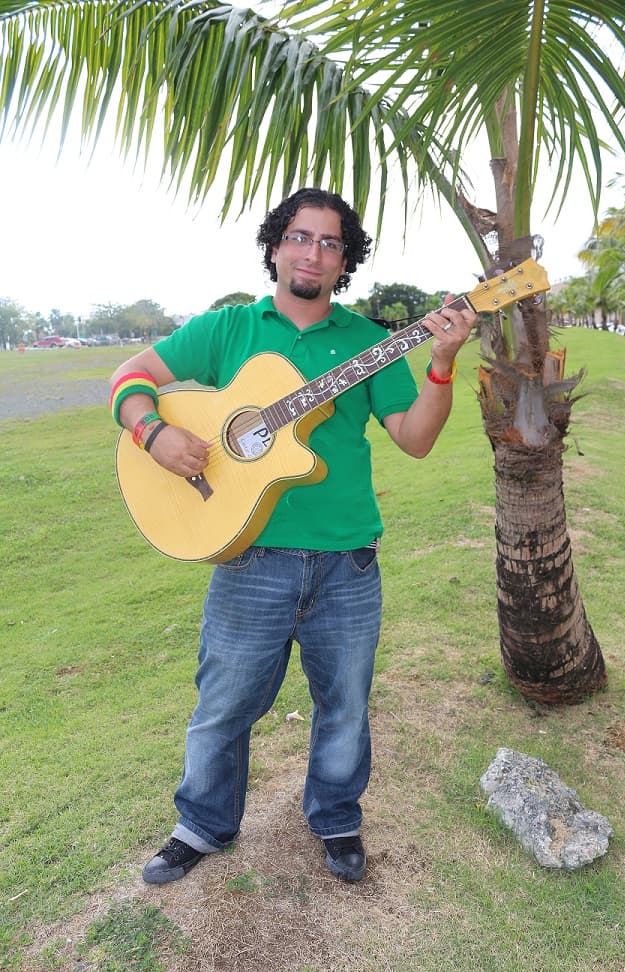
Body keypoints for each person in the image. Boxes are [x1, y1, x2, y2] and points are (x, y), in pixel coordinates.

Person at [109, 187, 475, 885]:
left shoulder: (369, 343)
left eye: (331, 242)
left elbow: (418, 440)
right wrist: (152, 433)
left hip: (348, 565)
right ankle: (202, 825)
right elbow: (130, 377)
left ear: (345, 261)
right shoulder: (227, 330)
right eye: (301, 237)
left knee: (345, 705)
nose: (313, 251)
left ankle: (336, 817)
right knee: (223, 706)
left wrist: (443, 361)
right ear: (276, 246)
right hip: (249, 559)